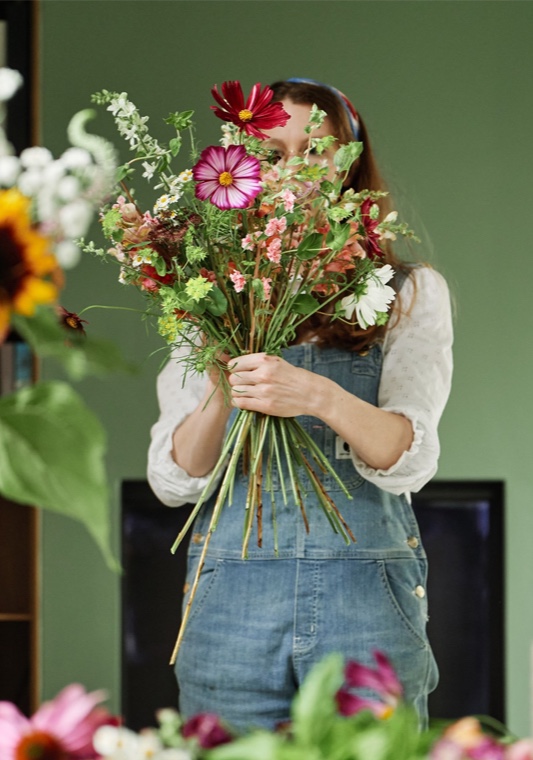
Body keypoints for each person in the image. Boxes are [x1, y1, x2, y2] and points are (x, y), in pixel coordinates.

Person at [147, 78, 453, 733]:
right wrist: (224, 384)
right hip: (229, 595)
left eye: (315, 151)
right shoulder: (205, 292)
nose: (296, 173)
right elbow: (175, 478)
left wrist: (314, 394)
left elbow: (408, 458)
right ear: (242, 172)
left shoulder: (407, 290)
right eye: (275, 155)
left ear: (348, 163)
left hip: (365, 595)